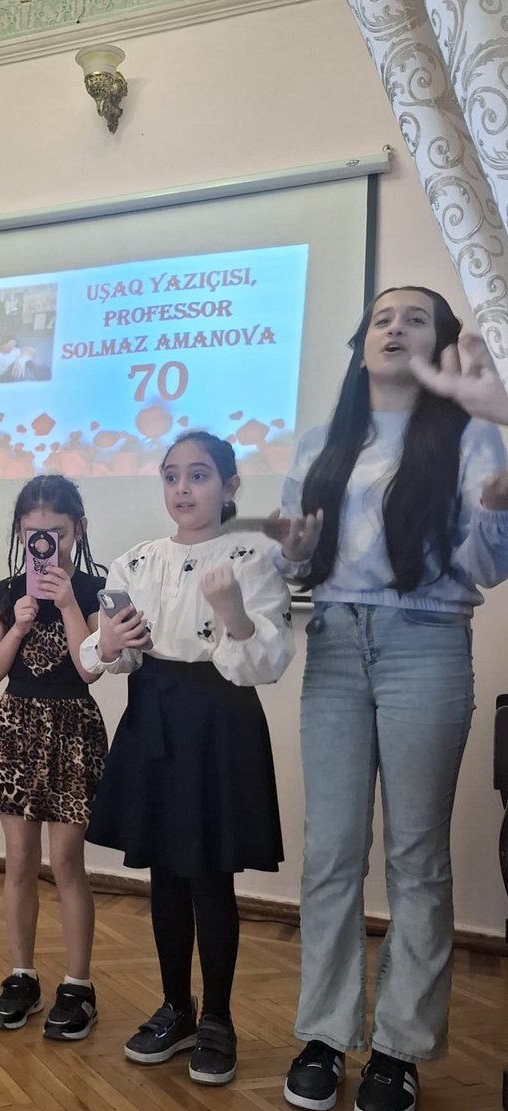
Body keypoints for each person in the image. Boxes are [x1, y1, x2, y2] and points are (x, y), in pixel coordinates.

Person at [276, 288, 508, 1111]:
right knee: (330, 851)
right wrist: (291, 553)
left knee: (416, 856)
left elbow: (487, 565)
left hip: (426, 641)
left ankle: (397, 1049)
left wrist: (497, 503)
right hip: (334, 643)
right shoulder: (320, 443)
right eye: (380, 317)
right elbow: (294, 566)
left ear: (441, 346)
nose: (394, 327)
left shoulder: (472, 435)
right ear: (360, 342)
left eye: (414, 318)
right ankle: (323, 1032)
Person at [80, 430, 294, 1087]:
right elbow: (106, 656)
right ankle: (177, 1006)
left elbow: (266, 661)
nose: (182, 488)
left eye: (198, 475)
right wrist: (108, 643)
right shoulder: (136, 561)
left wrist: (233, 614)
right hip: (153, 716)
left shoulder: (254, 556)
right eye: (171, 475)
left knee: (210, 874)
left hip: (219, 721)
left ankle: (219, 1017)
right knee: (164, 872)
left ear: (229, 486)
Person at [0, 475, 108, 1040]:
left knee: (68, 863)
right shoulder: (6, 593)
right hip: (16, 730)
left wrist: (68, 602)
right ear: (19, 534)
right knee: (18, 861)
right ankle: (21, 975)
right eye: (35, 534)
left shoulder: (96, 590)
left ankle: (78, 984)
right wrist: (20, 623)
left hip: (72, 731)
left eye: (57, 533)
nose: (46, 544)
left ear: (78, 530)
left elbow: (89, 668)